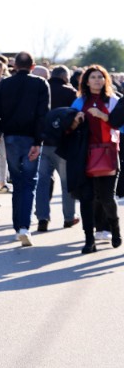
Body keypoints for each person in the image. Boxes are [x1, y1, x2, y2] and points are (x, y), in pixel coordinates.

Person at [0, 51, 50, 247]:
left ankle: (18, 227)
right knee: (29, 182)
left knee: (18, 182)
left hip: (11, 138)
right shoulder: (40, 84)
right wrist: (39, 142)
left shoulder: (4, 84)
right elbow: (43, 114)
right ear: (33, 66)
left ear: (14, 66)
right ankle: (24, 226)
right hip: (31, 138)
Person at [67, 65, 121, 253]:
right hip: (84, 155)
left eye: (100, 77)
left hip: (108, 153)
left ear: (106, 80)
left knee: (107, 198)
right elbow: (69, 128)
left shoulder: (113, 101)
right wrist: (75, 121)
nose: (97, 80)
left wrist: (103, 116)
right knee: (86, 199)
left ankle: (114, 228)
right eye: (93, 77)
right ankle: (89, 240)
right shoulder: (79, 102)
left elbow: (120, 127)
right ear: (86, 81)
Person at [35, 65, 79, 230]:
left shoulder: (41, 90)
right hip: (63, 145)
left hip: (43, 142)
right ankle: (69, 217)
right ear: (65, 77)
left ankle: (42, 218)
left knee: (42, 182)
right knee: (67, 182)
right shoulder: (70, 92)